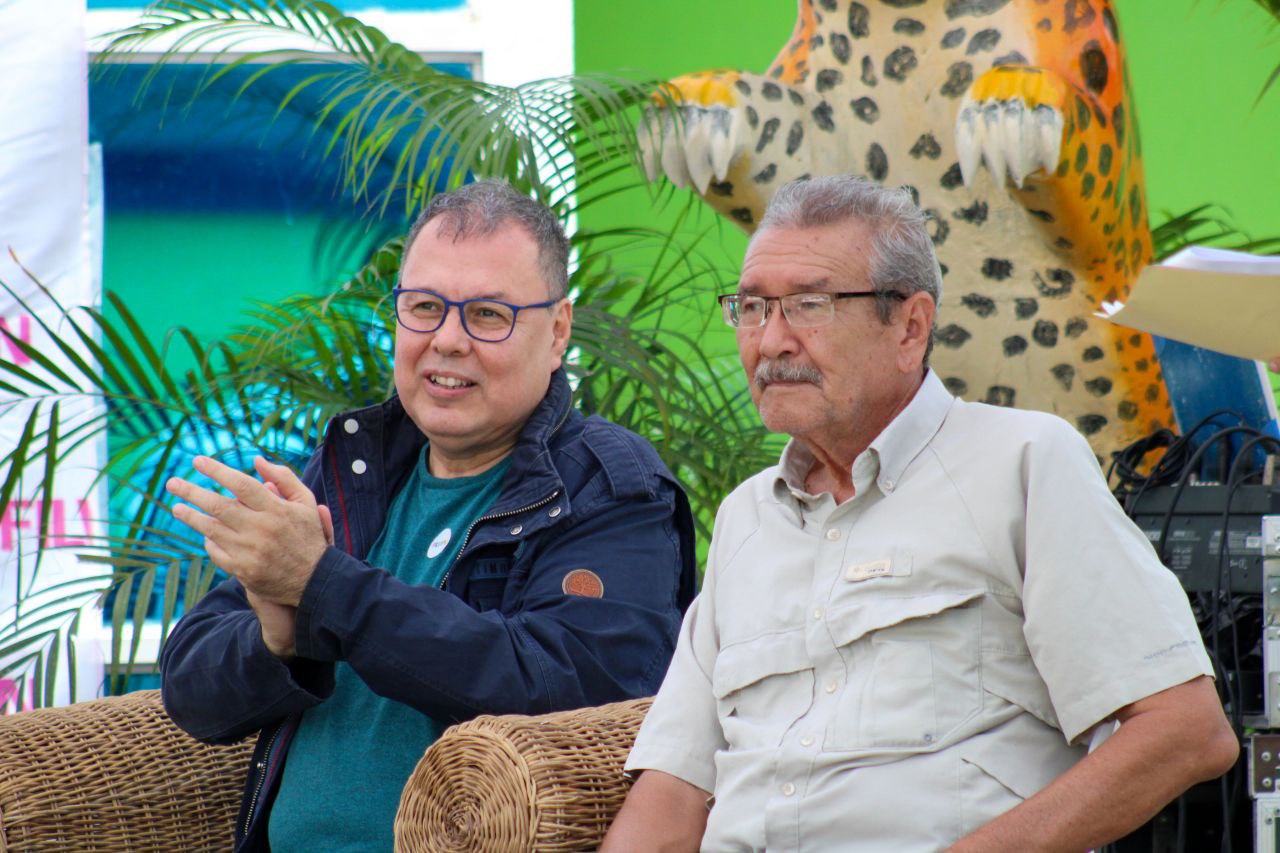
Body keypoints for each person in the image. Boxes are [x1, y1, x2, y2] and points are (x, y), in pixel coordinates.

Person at [603, 175, 1237, 852]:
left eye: (810, 305)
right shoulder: (747, 518)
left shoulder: (1021, 463)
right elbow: (673, 791)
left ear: (910, 327)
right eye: (753, 307)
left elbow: (1184, 729)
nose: (772, 341)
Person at [162, 179, 697, 852]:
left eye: (488, 315)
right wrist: (279, 639)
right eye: (424, 307)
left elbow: (571, 691)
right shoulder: (352, 470)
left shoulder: (607, 486)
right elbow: (190, 691)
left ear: (558, 330)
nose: (447, 340)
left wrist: (326, 589)